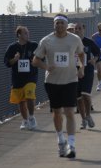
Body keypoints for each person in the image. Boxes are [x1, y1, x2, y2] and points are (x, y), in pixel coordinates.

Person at [32, 14, 85, 159]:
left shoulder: (75, 39)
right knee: (56, 113)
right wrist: (46, 66)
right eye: (57, 23)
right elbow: (35, 60)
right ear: (54, 25)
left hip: (70, 80)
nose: (59, 25)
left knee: (69, 111)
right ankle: (61, 141)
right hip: (52, 82)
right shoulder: (46, 41)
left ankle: (71, 145)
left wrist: (82, 68)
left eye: (62, 23)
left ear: (66, 25)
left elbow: (81, 54)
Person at [4, 26, 39, 130]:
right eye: (25, 33)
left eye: (28, 33)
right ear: (19, 35)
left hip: (31, 76)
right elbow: (7, 63)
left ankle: (32, 117)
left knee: (29, 95)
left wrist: (35, 60)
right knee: (21, 101)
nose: (28, 35)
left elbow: (41, 57)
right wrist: (15, 59)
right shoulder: (12, 47)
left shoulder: (34, 45)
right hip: (17, 78)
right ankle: (25, 120)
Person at [74, 22, 100, 130]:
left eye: (79, 28)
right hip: (74, 71)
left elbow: (98, 53)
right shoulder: (71, 43)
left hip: (88, 70)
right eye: (76, 29)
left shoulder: (89, 42)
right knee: (79, 98)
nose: (77, 30)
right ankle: (83, 119)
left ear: (83, 29)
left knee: (86, 94)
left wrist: (94, 60)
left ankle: (88, 115)